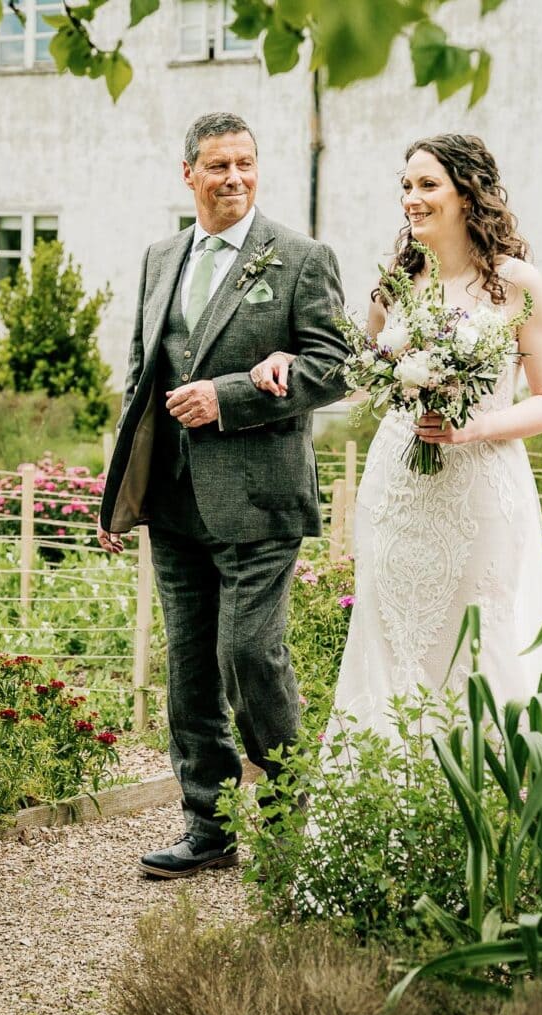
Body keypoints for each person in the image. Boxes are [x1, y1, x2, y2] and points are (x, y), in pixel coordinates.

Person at [97, 112, 350, 878]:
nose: (234, 177)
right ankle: (206, 825)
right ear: (189, 175)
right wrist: (119, 492)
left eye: (245, 163)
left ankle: (286, 813)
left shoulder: (301, 259)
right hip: (172, 498)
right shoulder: (159, 257)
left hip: (260, 496)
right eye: (218, 166)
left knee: (250, 654)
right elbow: (142, 377)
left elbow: (334, 368)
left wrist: (233, 395)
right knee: (190, 670)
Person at [250, 133, 542, 737]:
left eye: (427, 185)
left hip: (479, 487)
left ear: (468, 193)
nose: (412, 199)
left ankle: (488, 793)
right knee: (391, 634)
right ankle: (387, 796)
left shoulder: (515, 282)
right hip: (397, 487)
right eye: (406, 186)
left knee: (478, 635)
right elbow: (361, 376)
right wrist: (291, 360)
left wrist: (475, 426)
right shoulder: (397, 283)